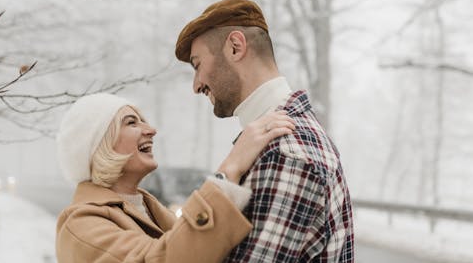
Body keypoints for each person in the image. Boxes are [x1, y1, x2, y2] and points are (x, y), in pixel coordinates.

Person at [175, 0, 354, 262]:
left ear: (235, 47)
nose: (196, 85)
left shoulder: (286, 152)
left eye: (198, 64)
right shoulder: (273, 141)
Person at [55, 93, 295, 263]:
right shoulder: (80, 224)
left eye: (143, 121)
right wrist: (229, 169)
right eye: (131, 122)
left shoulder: (147, 206)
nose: (151, 130)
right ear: (99, 145)